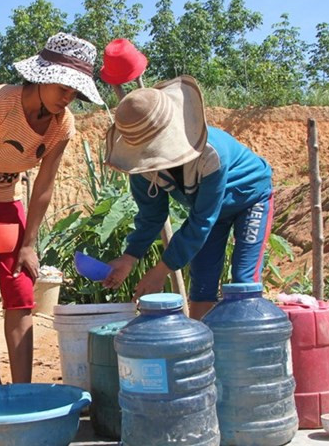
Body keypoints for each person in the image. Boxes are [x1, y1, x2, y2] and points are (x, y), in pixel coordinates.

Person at [0, 33, 103, 385]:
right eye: (64, 86)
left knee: (21, 291)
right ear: (43, 75)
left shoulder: (63, 125)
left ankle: (23, 390)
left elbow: (43, 186)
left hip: (6, 202)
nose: (68, 97)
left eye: (74, 91)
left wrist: (29, 243)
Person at [102, 75, 274, 320]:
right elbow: (152, 216)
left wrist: (162, 269)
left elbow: (202, 221)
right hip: (209, 211)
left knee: (243, 280)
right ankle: (203, 346)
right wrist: (130, 257)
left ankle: (246, 349)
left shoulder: (209, 155)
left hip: (249, 198)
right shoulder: (141, 167)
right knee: (202, 281)